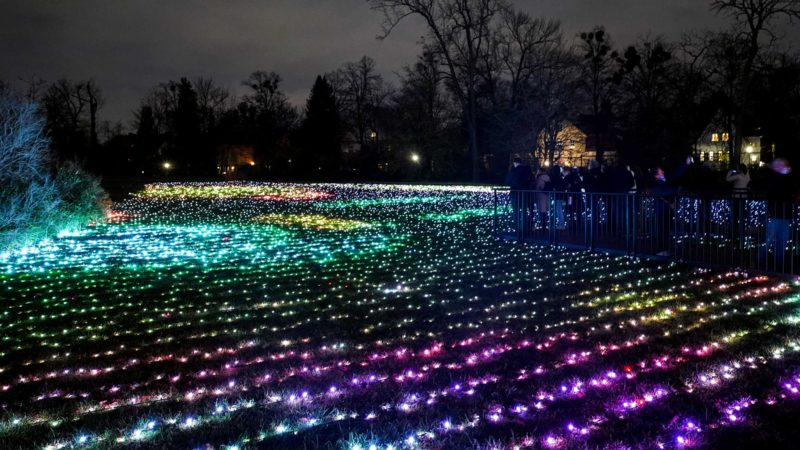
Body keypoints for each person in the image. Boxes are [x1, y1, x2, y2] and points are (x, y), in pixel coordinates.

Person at [649, 156, 693, 256]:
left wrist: (685, 163)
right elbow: (662, 191)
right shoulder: (656, 183)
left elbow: (676, 174)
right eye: (660, 171)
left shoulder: (665, 179)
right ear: (656, 175)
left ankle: (665, 249)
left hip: (667, 208)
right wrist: (675, 189)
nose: (663, 172)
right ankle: (661, 250)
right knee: (661, 230)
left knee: (666, 229)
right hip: (661, 209)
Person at [761, 158, 795, 270]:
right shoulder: (775, 178)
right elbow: (778, 192)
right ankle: (761, 258)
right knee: (770, 238)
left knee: (781, 238)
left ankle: (778, 260)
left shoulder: (784, 178)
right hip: (776, 212)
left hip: (784, 213)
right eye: (783, 165)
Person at [506, 157, 532, 236]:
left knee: (516, 212)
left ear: (515, 163)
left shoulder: (513, 170)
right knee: (524, 211)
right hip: (524, 193)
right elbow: (528, 180)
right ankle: (524, 228)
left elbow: (507, 181)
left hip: (515, 193)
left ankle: (518, 229)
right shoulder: (526, 170)